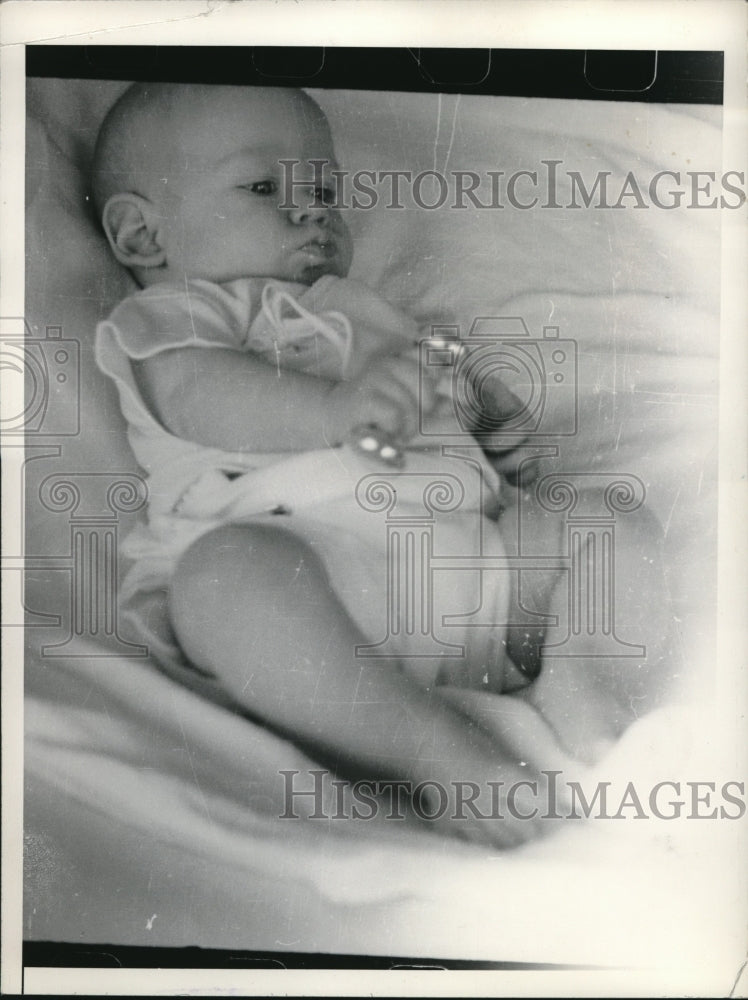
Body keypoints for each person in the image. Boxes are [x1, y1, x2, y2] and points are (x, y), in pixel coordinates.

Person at [93, 82, 670, 847]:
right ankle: (432, 754)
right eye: (264, 185)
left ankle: (584, 689)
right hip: (314, 575)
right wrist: (333, 412)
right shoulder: (180, 316)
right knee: (222, 578)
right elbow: (198, 395)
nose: (312, 211)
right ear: (142, 237)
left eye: (325, 189)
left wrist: (495, 436)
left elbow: (454, 421)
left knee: (606, 517)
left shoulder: (379, 318)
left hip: (479, 583)